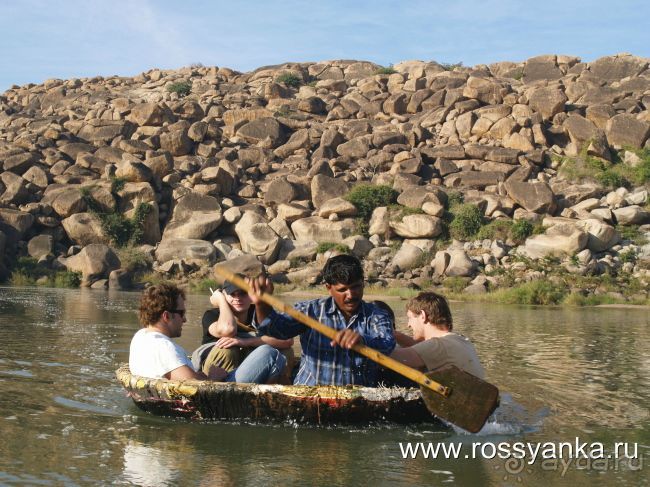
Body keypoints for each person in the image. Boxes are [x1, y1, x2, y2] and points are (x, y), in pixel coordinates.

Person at [249, 255, 396, 386]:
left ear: (363, 283)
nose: (351, 295)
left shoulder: (377, 314)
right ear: (328, 288)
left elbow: (387, 344)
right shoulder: (310, 311)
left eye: (356, 287)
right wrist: (262, 305)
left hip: (358, 399)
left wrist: (362, 342)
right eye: (342, 290)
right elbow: (275, 331)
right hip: (310, 395)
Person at [128, 283, 286, 383]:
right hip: (216, 399)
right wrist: (212, 377)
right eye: (181, 313)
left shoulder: (140, 336)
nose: (184, 320)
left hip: (206, 385)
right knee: (270, 353)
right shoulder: (162, 346)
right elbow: (192, 384)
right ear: (166, 316)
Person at [333, 291, 485, 381]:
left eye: (410, 318)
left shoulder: (438, 345)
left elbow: (388, 357)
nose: (408, 325)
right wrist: (392, 333)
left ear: (423, 316)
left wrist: (360, 341)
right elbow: (416, 347)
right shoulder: (458, 339)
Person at [192, 278, 293, 377]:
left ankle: (274, 387)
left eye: (243, 293)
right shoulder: (212, 315)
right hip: (215, 373)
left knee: (286, 351)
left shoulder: (260, 312)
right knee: (227, 349)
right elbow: (228, 330)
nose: (237, 298)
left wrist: (245, 342)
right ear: (224, 295)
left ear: (251, 295)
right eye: (232, 294)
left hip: (250, 370)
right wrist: (221, 301)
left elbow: (287, 339)